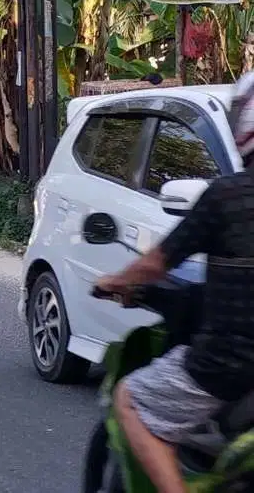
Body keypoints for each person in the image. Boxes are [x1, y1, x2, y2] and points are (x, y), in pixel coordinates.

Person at [93, 73, 254, 493]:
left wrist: (115, 280)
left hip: (230, 363)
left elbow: (155, 264)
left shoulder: (227, 196)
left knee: (130, 399)